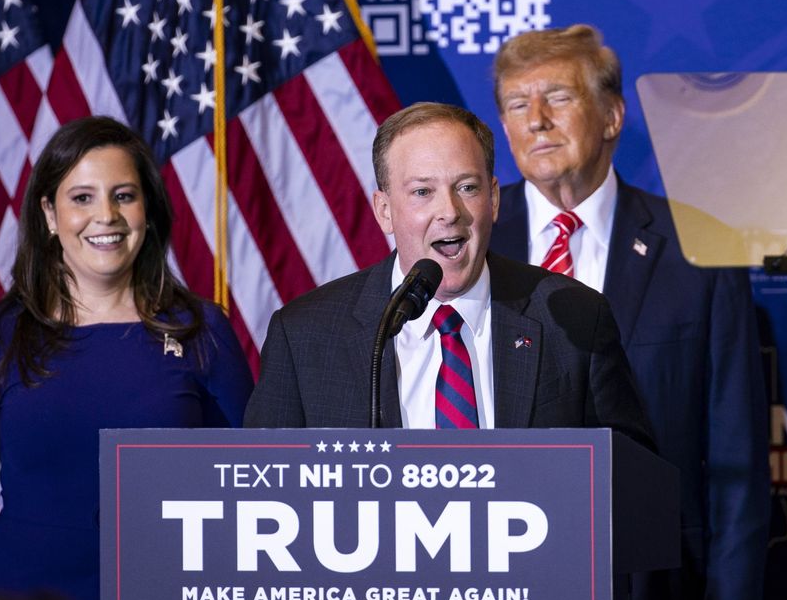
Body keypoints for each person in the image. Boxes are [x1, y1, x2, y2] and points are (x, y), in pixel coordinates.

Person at [490, 24, 770, 600]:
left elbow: (737, 454)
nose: (536, 120)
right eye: (516, 104)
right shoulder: (468, 244)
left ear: (612, 116)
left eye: (558, 98)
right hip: (497, 577)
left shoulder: (701, 248)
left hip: (654, 587)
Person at [0, 116, 253, 600]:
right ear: (49, 214)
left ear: (148, 210)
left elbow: (255, 492)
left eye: (124, 195)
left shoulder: (202, 331)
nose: (106, 215)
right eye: (82, 198)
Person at [244, 102, 654, 450]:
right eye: (423, 192)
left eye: (468, 187)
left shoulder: (574, 320)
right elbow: (263, 492)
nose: (450, 211)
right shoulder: (306, 336)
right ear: (384, 210)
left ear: (493, 199)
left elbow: (628, 484)